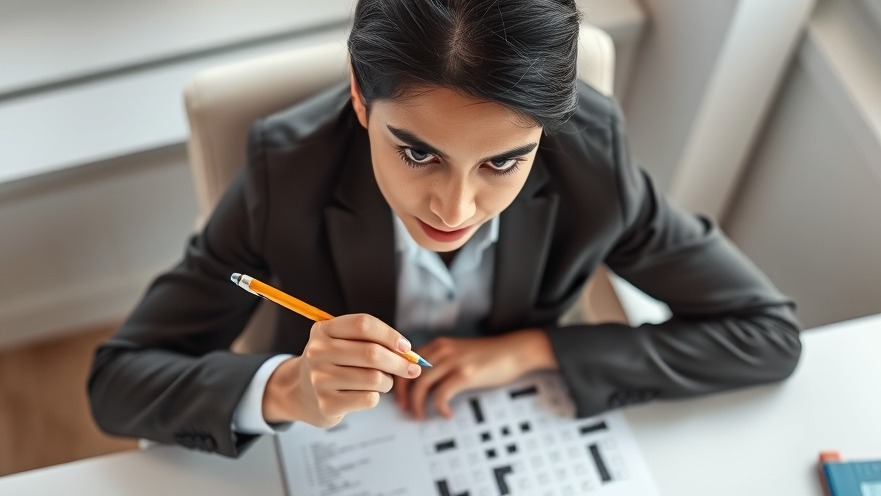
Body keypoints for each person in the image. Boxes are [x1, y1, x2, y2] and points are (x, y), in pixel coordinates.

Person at [88, 0, 801, 458]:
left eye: (504, 161)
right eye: (418, 154)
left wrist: (530, 350)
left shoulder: (591, 157)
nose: (455, 210)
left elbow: (765, 335)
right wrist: (287, 389)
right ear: (360, 96)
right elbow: (118, 381)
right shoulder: (287, 171)